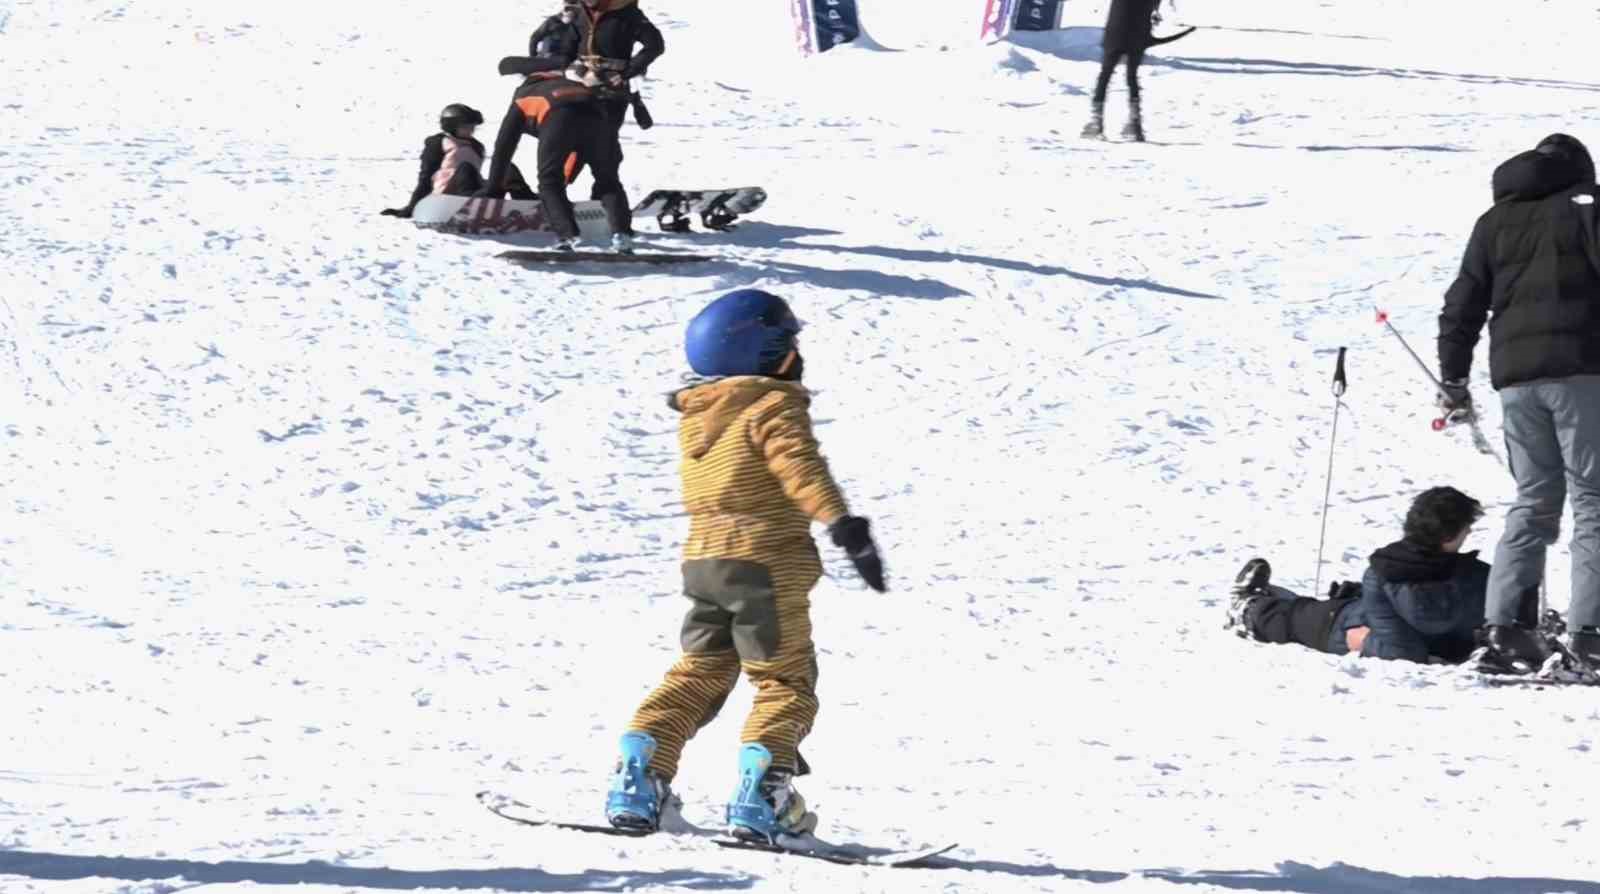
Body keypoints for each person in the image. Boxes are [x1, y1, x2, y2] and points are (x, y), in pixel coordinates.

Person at [603, 289, 888, 843]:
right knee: (783, 680)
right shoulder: (771, 405)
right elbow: (798, 466)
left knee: (700, 672)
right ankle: (763, 797)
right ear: (769, 350)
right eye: (792, 343)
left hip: (706, 563)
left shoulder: (699, 413)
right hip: (764, 565)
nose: (798, 354)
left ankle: (639, 777)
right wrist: (842, 525)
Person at [1437, 132, 1600, 672]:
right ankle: (1590, 635)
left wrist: (1454, 378)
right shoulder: (1587, 207)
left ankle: (1504, 628)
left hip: (1515, 380)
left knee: (1533, 500)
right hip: (1582, 371)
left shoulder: (1494, 221)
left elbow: (1462, 302)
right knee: (1595, 501)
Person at [1225, 487, 1490, 664]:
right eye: (1466, 529)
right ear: (1448, 537)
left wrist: (1366, 642)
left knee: (1296, 618)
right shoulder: (1475, 575)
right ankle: (1260, 603)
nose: (1468, 534)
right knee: (1323, 608)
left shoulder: (1387, 571)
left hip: (1347, 627)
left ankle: (1248, 608)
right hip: (1378, 618)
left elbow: (1402, 653)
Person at [478, 63, 634, 251]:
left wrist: (493, 188)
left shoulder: (522, 96)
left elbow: (503, 149)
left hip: (559, 117)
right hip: (599, 117)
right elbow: (580, 149)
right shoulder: (573, 85)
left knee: (549, 181)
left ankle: (568, 237)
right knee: (608, 180)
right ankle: (622, 235)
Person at [379, 103, 533, 219]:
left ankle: (532, 206)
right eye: (466, 126)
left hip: (477, 193)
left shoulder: (476, 146)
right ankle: (470, 205)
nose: (471, 130)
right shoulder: (439, 142)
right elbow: (426, 177)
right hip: (447, 198)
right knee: (465, 168)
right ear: (451, 126)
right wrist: (411, 208)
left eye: (472, 127)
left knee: (506, 168)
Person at [574, 0, 664, 188]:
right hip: (578, 83)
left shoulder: (628, 14)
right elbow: (567, 42)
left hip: (612, 89)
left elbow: (655, 45)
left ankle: (605, 194)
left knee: (604, 143)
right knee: (570, 138)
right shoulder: (579, 12)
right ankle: (556, 192)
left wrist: (627, 72)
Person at [1080, 0, 1165, 142]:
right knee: (1132, 76)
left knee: (1105, 74)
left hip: (1117, 27)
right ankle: (1135, 124)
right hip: (1139, 31)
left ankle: (1096, 122)